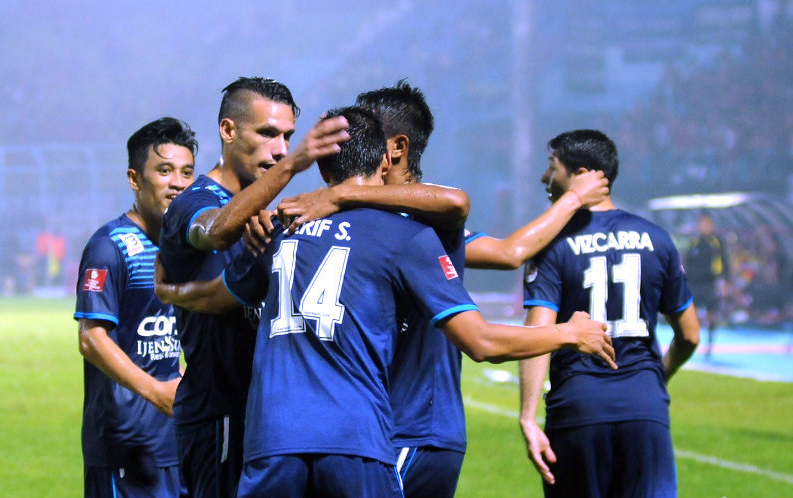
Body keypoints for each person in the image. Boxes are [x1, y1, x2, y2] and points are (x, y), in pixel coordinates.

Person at [155, 107, 615, 498]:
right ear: (383, 162)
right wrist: (570, 333)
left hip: (271, 441)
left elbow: (217, 298)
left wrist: (169, 293)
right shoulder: (408, 236)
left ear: (323, 169)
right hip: (357, 441)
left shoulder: (279, 228)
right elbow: (480, 342)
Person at [157, 76, 349, 498]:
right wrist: (294, 165)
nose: (279, 148)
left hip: (274, 419)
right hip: (220, 416)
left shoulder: (272, 212)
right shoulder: (194, 201)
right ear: (228, 131)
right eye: (267, 134)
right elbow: (218, 230)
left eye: (287, 138)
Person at [518, 129, 701, 498]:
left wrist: (527, 414)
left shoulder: (552, 243)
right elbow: (691, 334)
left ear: (581, 173)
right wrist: (656, 376)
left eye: (552, 167)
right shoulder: (657, 238)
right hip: (644, 407)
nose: (544, 177)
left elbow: (539, 334)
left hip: (579, 408)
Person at [73, 117, 197, 498]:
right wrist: (157, 392)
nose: (178, 182)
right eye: (164, 171)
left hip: (178, 441)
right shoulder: (110, 247)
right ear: (134, 178)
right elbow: (91, 339)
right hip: (125, 443)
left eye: (187, 172)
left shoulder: (188, 248)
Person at [685, 212, 729, 358]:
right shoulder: (694, 241)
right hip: (695, 283)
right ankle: (692, 341)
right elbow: (687, 262)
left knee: (712, 314)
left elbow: (724, 262)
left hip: (710, 283)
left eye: (707, 223)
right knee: (692, 314)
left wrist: (724, 281)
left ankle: (710, 343)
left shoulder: (716, 242)